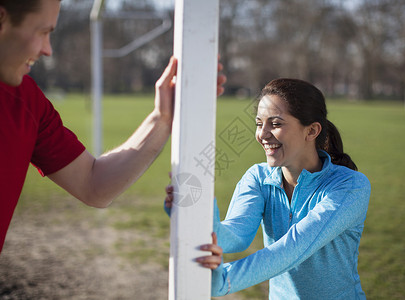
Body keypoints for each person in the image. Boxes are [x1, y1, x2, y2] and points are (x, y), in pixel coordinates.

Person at [0, 0, 226, 254]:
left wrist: (162, 118)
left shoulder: (26, 101)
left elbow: (93, 184)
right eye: (43, 32)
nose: (48, 50)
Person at [166, 78, 371, 299]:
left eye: (275, 124)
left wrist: (224, 280)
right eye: (258, 123)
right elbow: (235, 235)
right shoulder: (257, 177)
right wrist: (196, 207)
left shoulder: (350, 186)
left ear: (311, 131)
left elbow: (292, 249)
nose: (262, 135)